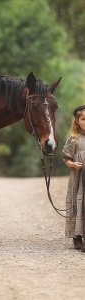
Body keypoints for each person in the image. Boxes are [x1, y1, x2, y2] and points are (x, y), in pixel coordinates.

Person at [62, 105, 85, 251]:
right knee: (79, 203)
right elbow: (66, 158)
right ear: (77, 121)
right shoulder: (73, 139)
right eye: (83, 119)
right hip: (79, 179)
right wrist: (73, 164)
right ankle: (77, 237)